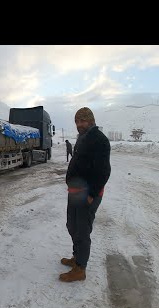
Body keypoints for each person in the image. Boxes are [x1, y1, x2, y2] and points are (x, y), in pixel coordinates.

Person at [60, 107, 111, 282]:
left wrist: (92, 194)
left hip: (87, 194)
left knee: (81, 230)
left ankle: (80, 268)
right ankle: (77, 257)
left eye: (83, 121)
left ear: (91, 120)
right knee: (72, 226)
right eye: (77, 121)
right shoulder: (82, 138)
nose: (79, 124)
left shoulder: (99, 140)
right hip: (75, 192)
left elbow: (104, 171)